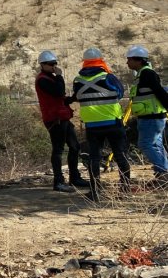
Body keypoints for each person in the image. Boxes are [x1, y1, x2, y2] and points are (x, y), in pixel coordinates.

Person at [72, 48, 131, 202]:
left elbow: (78, 97)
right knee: (120, 155)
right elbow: (119, 93)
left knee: (94, 158)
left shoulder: (78, 80)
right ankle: (125, 190)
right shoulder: (108, 77)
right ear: (101, 60)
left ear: (84, 62)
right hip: (113, 122)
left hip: (92, 125)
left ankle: (95, 191)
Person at [35, 50, 88, 192]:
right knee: (58, 150)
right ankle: (58, 181)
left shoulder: (50, 78)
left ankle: (74, 177)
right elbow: (58, 92)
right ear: (43, 65)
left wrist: (72, 98)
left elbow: (59, 98)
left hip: (62, 117)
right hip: (54, 119)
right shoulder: (43, 80)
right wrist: (60, 76)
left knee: (75, 146)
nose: (54, 66)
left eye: (55, 64)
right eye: (51, 64)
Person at [125, 45, 168, 181]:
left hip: (151, 117)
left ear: (138, 60)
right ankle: (163, 172)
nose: (127, 63)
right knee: (156, 145)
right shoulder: (142, 74)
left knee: (145, 144)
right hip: (152, 116)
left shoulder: (147, 74)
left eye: (129, 60)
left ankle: (163, 171)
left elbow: (159, 92)